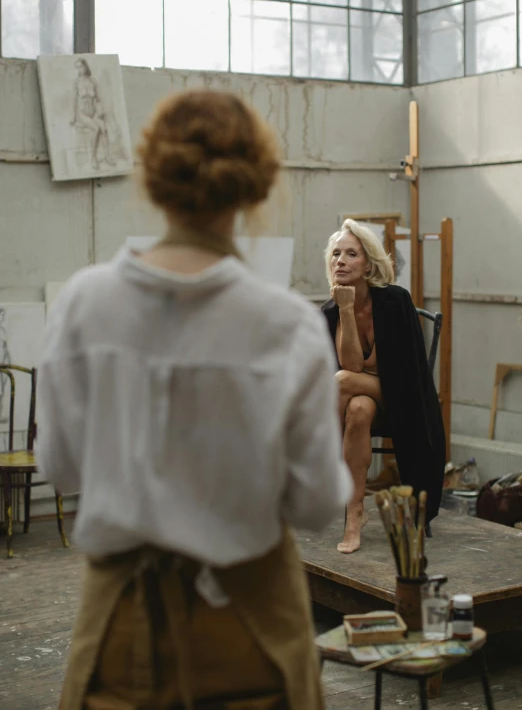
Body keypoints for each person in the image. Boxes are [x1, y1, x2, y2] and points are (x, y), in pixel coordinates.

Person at [36, 89, 352, 710]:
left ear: (151, 178)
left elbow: (60, 468)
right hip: (252, 627)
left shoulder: (84, 304)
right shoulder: (285, 326)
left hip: (122, 629)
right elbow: (317, 505)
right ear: (255, 185)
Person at [322, 218, 445, 554]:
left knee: (342, 382)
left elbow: (408, 377)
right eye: (335, 254)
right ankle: (354, 514)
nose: (341, 261)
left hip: (406, 399)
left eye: (351, 254)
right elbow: (352, 365)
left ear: (368, 263)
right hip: (363, 401)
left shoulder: (395, 302)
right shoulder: (331, 311)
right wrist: (346, 308)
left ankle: (319, 464)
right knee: (358, 409)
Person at [71, 57, 115, 169]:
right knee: (96, 129)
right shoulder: (76, 82)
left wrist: (99, 111)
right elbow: (74, 101)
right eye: (78, 67)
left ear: (85, 66)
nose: (80, 69)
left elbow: (98, 99)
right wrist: (73, 117)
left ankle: (107, 156)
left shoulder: (93, 81)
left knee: (104, 128)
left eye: (81, 66)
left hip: (93, 113)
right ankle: (93, 158)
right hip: (82, 114)